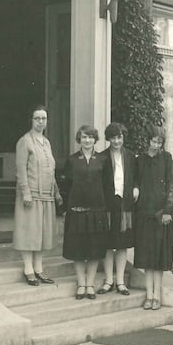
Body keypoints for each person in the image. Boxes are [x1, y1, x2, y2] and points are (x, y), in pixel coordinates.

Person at [13, 105, 63, 286]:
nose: (41, 121)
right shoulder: (25, 141)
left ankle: (39, 268)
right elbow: (20, 170)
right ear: (31, 120)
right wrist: (26, 193)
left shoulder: (46, 142)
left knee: (43, 233)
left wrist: (56, 192)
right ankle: (28, 269)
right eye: (37, 118)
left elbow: (51, 171)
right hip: (31, 196)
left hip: (47, 196)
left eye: (44, 118)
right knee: (29, 232)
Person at [61, 125, 110, 300]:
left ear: (95, 139)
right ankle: (81, 284)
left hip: (97, 211)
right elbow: (66, 186)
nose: (87, 140)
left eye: (90, 137)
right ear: (79, 139)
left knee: (94, 250)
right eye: (83, 137)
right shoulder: (72, 160)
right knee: (78, 249)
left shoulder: (103, 160)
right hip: (77, 211)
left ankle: (90, 284)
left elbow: (107, 185)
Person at [134, 125, 173, 311]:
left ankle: (156, 295)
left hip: (161, 215)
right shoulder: (140, 159)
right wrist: (135, 188)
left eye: (159, 142)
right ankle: (148, 295)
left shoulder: (166, 158)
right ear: (148, 140)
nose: (156, 144)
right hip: (143, 213)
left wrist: (167, 210)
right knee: (147, 257)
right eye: (153, 141)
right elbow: (135, 180)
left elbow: (171, 185)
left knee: (158, 259)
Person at [97, 123, 138, 296]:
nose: (116, 141)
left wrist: (136, 188)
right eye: (113, 138)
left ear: (123, 138)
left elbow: (136, 177)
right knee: (108, 244)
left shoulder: (130, 156)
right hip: (107, 204)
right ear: (108, 139)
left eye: (119, 137)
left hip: (125, 204)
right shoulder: (101, 157)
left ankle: (120, 281)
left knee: (122, 244)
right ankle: (108, 280)